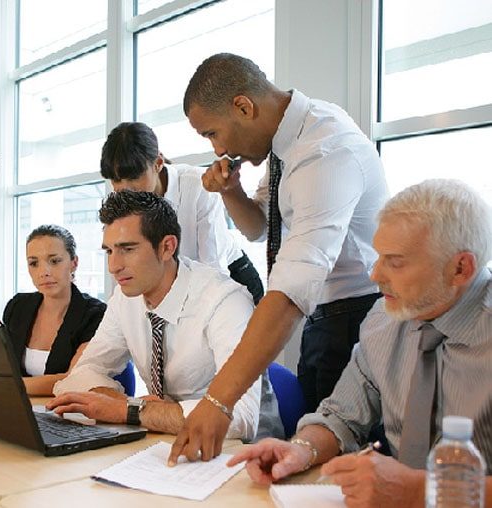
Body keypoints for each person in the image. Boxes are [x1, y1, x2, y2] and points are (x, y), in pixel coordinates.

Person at [169, 53, 389, 463]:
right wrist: (231, 191)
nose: (218, 149)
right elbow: (261, 227)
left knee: (346, 467)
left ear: (243, 107)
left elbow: (291, 289)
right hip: (323, 321)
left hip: (359, 319)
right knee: (314, 460)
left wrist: (218, 401)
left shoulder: (323, 150)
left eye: (213, 133)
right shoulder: (287, 145)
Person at [228, 179, 492, 507]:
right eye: (378, 256)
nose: (375, 274)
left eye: (395, 262)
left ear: (460, 268)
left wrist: (418, 491)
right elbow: (341, 416)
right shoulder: (384, 319)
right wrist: (301, 449)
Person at [47, 190, 281, 441]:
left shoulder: (225, 300)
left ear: (167, 247)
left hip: (240, 449)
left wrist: (130, 411)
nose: (113, 267)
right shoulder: (125, 298)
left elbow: (239, 418)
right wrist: (127, 404)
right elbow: (81, 373)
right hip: (164, 439)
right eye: (109, 251)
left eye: (128, 249)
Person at [100, 121, 264, 305]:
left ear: (158, 163)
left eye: (133, 177)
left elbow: (213, 267)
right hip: (178, 284)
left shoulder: (197, 186)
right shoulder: (121, 204)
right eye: (116, 180)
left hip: (230, 277)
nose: (125, 189)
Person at [2, 224, 106, 396]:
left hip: (69, 408)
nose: (44, 272)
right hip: (22, 406)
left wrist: (7, 386)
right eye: (34, 263)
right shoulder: (17, 306)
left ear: (74, 263)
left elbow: (73, 380)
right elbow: (1, 368)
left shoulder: (95, 314)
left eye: (55, 261)